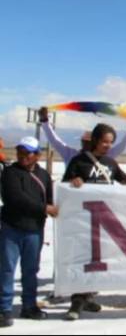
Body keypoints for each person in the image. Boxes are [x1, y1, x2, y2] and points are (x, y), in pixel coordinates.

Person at [62, 123, 126, 321]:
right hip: (83, 221)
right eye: (104, 142)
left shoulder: (110, 162)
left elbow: (125, 182)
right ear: (95, 140)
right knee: (83, 259)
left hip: (105, 220)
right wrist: (74, 183)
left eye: (111, 143)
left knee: (98, 262)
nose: (108, 146)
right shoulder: (78, 161)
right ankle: (76, 300)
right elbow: (64, 187)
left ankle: (89, 295)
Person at [0, 137, 58, 328]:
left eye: (27, 152)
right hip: (12, 228)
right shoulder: (10, 173)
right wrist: (44, 209)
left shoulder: (44, 175)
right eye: (20, 152)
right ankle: (4, 308)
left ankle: (29, 306)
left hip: (34, 230)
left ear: (37, 155)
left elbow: (49, 199)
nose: (23, 156)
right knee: (7, 269)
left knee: (31, 270)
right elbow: (15, 199)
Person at [38, 106, 126, 166]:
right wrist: (44, 121)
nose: (85, 144)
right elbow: (54, 140)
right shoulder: (71, 154)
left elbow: (122, 145)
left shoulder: (105, 156)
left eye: (88, 142)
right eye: (84, 141)